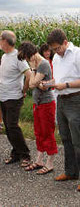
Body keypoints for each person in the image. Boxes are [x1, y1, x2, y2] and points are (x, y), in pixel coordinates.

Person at [47, 29, 80, 191]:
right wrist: (50, 83)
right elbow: (60, 78)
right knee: (65, 138)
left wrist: (65, 85)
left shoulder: (78, 54)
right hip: (61, 99)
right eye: (53, 50)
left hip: (76, 99)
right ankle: (71, 171)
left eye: (57, 48)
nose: (55, 52)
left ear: (65, 42)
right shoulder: (57, 58)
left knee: (78, 140)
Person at [17, 41, 58, 175]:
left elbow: (33, 83)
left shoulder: (43, 64)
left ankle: (50, 163)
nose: (28, 61)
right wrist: (36, 80)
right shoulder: (35, 63)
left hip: (46, 103)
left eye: (28, 58)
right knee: (38, 132)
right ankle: (40, 160)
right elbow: (31, 85)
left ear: (31, 54)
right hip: (38, 103)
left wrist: (34, 72)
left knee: (48, 132)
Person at [0, 30, 31, 167]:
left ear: (5, 41)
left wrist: (24, 90)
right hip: (3, 96)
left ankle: (25, 154)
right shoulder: (4, 56)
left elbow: (29, 74)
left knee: (12, 126)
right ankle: (16, 153)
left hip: (14, 97)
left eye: (0, 39)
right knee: (7, 126)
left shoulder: (18, 56)